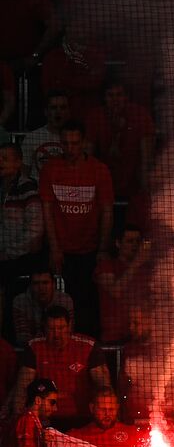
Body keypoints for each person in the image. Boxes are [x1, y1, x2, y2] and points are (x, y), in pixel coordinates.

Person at [39, 121, 114, 332]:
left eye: (75, 143)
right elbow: (47, 210)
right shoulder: (51, 169)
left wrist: (103, 248)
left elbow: (107, 211)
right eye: (65, 143)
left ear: (83, 143)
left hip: (89, 249)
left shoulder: (99, 170)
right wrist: (54, 247)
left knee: (87, 302)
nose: (70, 148)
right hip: (61, 249)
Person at [16, 305, 109, 429]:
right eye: (51, 328)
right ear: (44, 328)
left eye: (61, 328)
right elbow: (23, 386)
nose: (57, 334)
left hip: (81, 420)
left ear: (69, 325)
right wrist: (19, 419)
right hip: (45, 420)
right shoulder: (34, 347)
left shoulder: (88, 347)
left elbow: (104, 386)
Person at [94, 226, 152, 345]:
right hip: (114, 339)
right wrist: (137, 262)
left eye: (137, 241)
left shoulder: (148, 270)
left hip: (140, 338)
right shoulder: (106, 266)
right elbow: (116, 291)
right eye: (130, 241)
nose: (135, 245)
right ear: (118, 243)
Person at [0, 144, 42, 290]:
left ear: (18, 162)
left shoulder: (27, 188)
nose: (0, 162)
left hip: (20, 260)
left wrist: (9, 253)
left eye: (4, 159)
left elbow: (35, 230)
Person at [68, 386, 141, 447]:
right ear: (92, 408)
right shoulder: (77, 437)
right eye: (102, 409)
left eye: (111, 409)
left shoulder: (132, 433)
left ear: (117, 408)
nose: (107, 414)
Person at [10, 271, 73, 347]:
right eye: (36, 283)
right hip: (31, 348)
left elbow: (69, 332)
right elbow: (22, 337)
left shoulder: (64, 300)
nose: (41, 288)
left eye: (45, 283)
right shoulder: (20, 301)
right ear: (30, 286)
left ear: (53, 285)